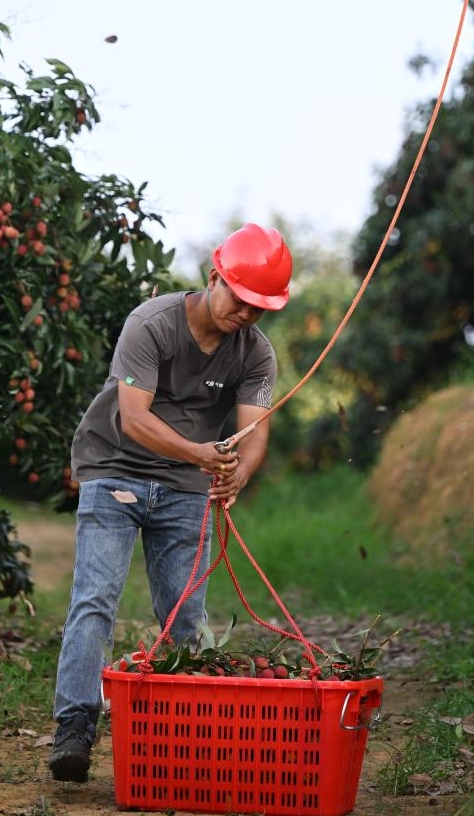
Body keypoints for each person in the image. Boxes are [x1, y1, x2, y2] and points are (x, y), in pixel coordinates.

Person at [49, 222, 293, 783]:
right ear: (215, 278)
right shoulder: (151, 323)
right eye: (242, 298)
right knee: (95, 600)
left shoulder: (255, 353)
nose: (248, 314)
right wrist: (202, 456)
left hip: (187, 485)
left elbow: (254, 433)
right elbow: (135, 420)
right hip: (115, 468)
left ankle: (182, 736)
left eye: (261, 307)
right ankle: (75, 728)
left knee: (185, 617)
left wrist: (240, 474)